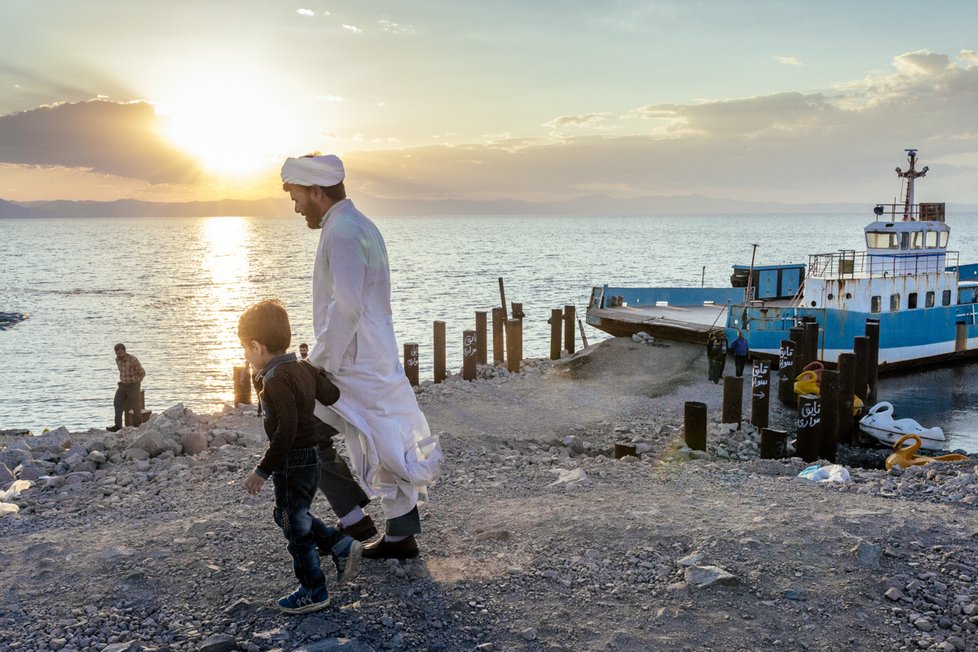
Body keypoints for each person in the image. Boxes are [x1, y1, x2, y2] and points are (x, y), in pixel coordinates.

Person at [282, 153, 443, 560]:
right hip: (369, 355)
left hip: (350, 363)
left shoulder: (343, 231)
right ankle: (394, 532)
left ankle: (356, 519)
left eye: (298, 197)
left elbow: (348, 306)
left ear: (317, 192)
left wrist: (316, 365)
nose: (296, 207)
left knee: (311, 432)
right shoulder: (358, 224)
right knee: (385, 435)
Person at [239, 299, 362, 614]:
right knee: (288, 515)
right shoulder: (303, 367)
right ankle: (339, 544)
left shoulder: (275, 380)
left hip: (293, 461)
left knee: (294, 524)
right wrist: (316, 373)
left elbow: (287, 431)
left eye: (245, 349)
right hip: (312, 458)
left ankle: (313, 589)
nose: (244, 356)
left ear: (257, 346)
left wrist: (262, 470)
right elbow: (331, 396)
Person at [107, 343, 145, 432]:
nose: (118, 355)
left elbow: (142, 373)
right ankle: (118, 426)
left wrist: (136, 381)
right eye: (117, 353)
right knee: (117, 403)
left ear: (124, 351)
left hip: (133, 385)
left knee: (135, 405)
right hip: (122, 385)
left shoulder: (133, 360)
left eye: (120, 353)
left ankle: (138, 426)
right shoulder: (117, 360)